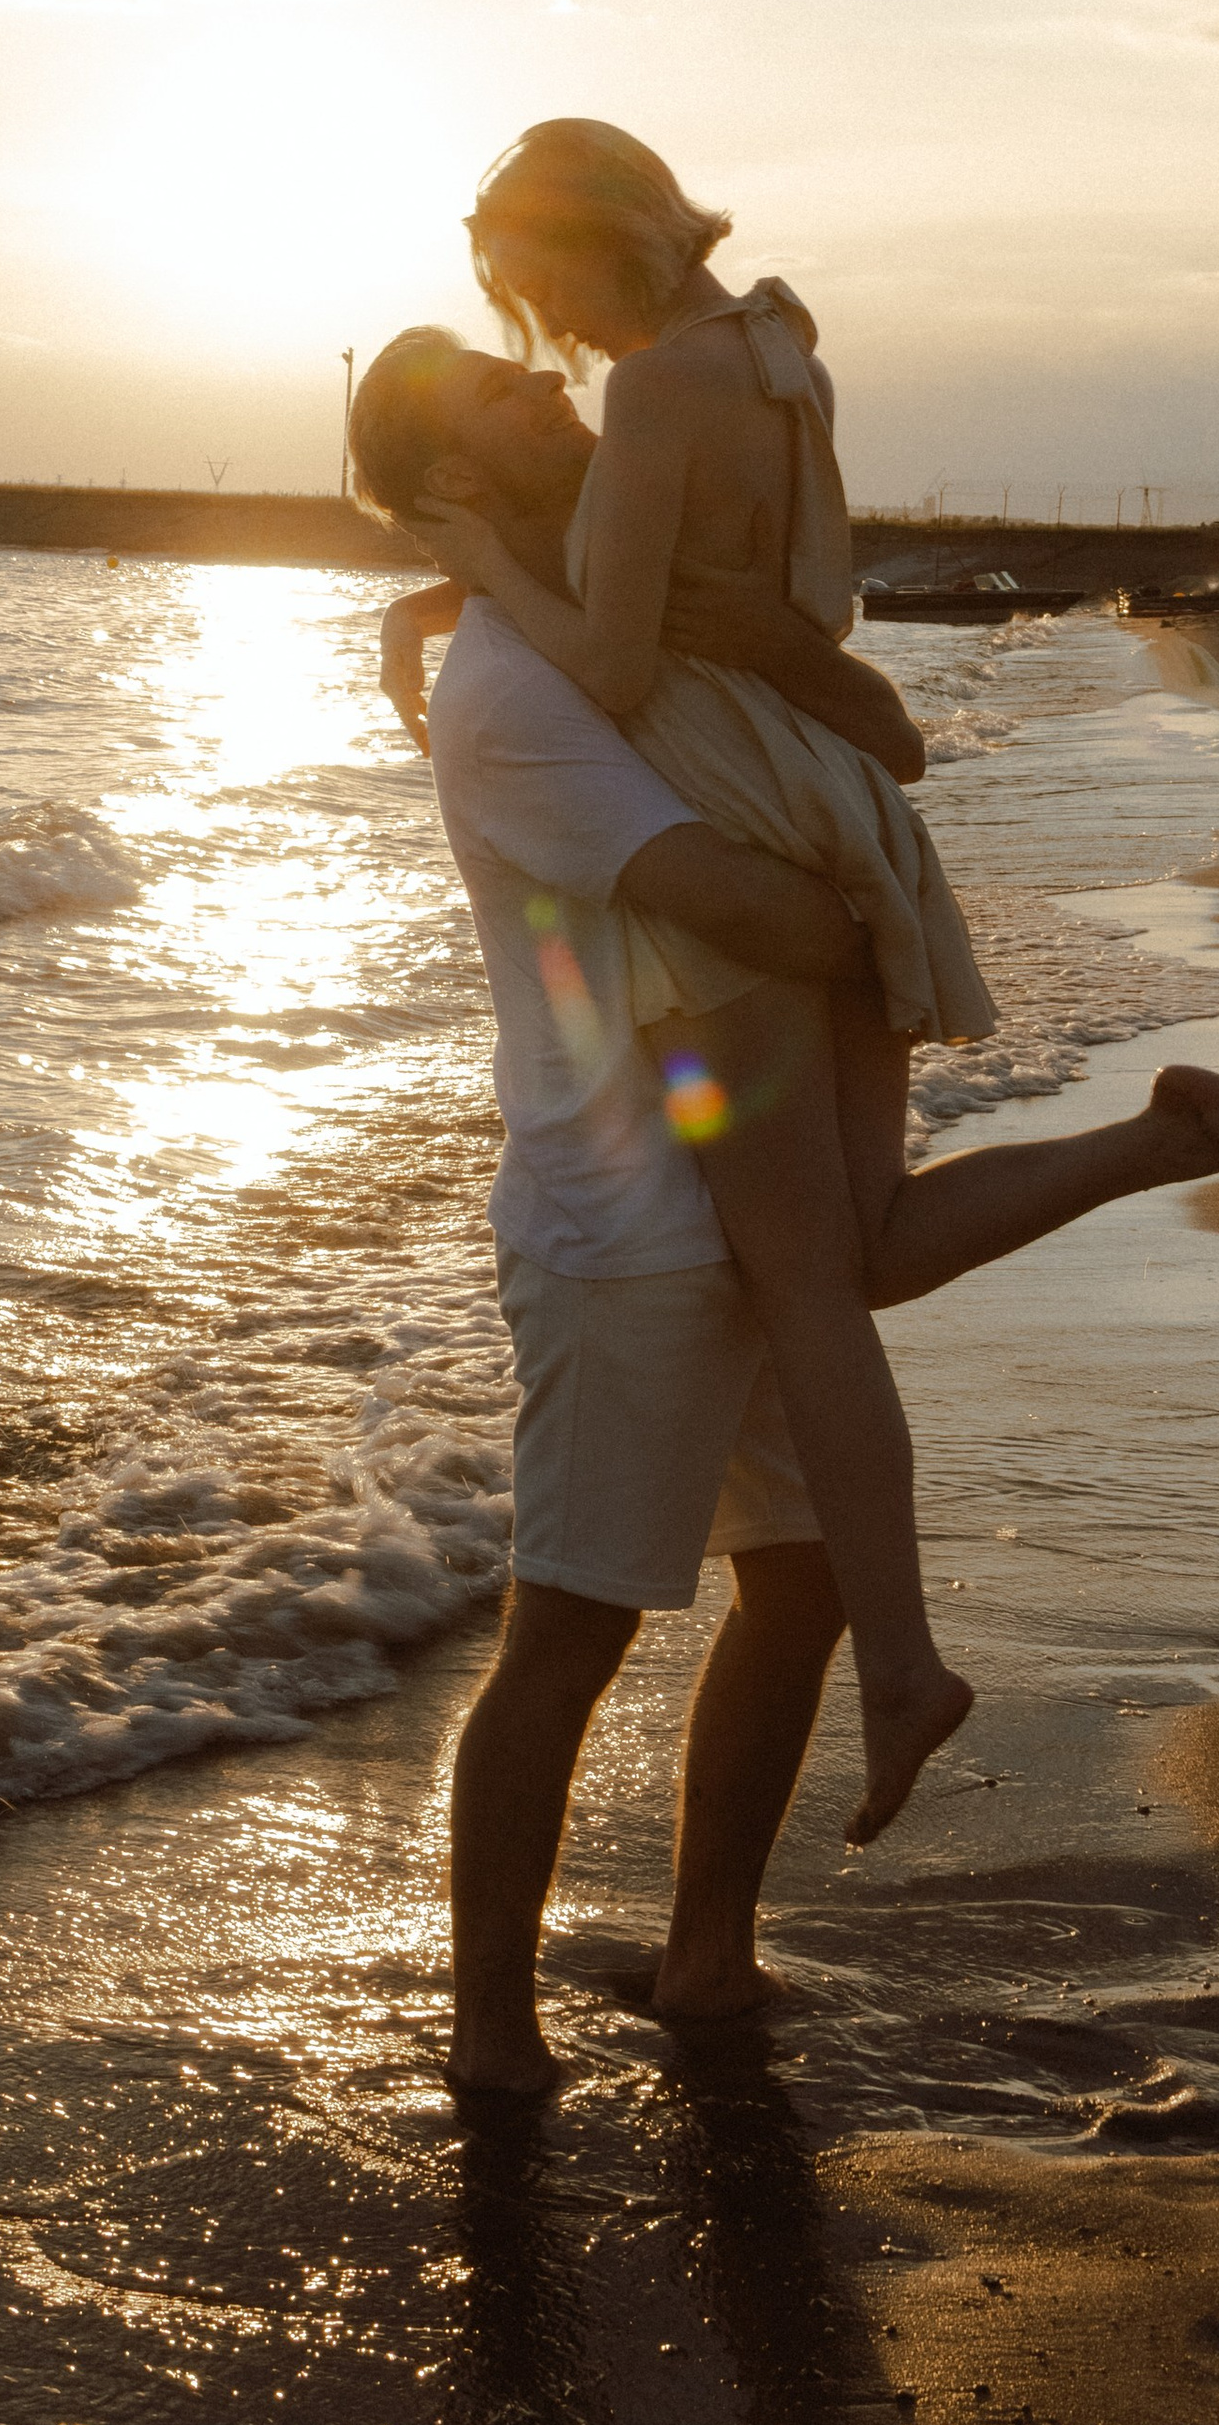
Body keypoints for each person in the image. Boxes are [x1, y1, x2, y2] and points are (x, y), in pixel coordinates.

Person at [346, 324, 1219, 2097]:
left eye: (544, 373)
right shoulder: (514, 692)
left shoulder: (585, 624)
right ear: (443, 484)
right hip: (626, 1229)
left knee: (802, 1588)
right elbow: (758, 915)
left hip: (737, 1163)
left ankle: (707, 1957)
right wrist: (848, 883)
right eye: (506, 398)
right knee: (567, 1637)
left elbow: (840, 717)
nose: (553, 396)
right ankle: (490, 2032)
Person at [401, 123, 992, 1842]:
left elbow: (616, 650)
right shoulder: (783, 359)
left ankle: (902, 1663)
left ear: (603, 242)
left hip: (738, 779)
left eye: (549, 295)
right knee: (859, 1246)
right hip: (827, 772)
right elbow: (812, 637)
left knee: (817, 1280)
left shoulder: (658, 389)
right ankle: (1153, 1148)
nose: (557, 342)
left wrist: (483, 580)